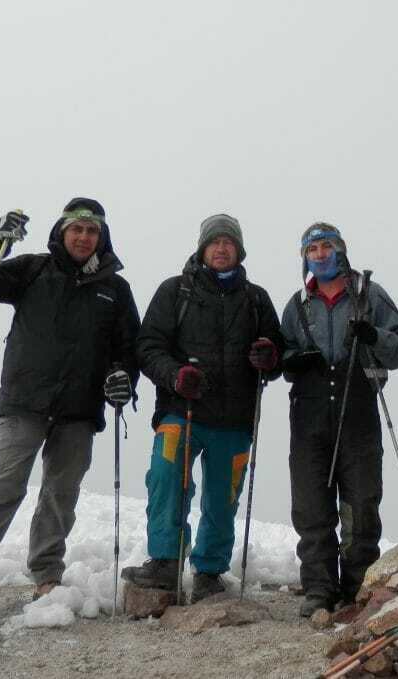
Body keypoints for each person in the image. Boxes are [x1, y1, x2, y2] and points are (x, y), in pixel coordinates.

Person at [0, 198, 141, 621]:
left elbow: (128, 350)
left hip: (78, 411)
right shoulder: (32, 270)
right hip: (25, 403)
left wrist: (122, 377)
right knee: (1, 489)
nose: (85, 237)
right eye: (77, 229)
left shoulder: (115, 289)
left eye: (93, 231)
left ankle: (47, 577)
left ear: (101, 237)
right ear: (62, 232)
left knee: (60, 496)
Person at [121, 214, 283, 603]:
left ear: (239, 250)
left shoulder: (256, 299)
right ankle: (164, 560)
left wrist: (270, 358)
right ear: (202, 248)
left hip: (236, 418)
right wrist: (176, 374)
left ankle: (209, 570)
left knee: (223, 496)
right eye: (215, 242)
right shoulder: (175, 291)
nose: (222, 248)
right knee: (166, 479)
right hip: (182, 409)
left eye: (229, 242)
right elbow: (147, 347)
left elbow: (277, 355)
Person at [280, 223, 398, 617]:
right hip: (308, 415)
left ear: (341, 250)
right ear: (304, 256)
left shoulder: (370, 295)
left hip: (358, 412)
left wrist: (373, 336)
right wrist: (289, 360)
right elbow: (281, 354)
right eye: (312, 249)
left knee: (361, 502)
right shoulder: (297, 304)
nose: (320, 255)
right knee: (311, 505)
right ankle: (319, 589)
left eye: (327, 247)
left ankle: (356, 587)